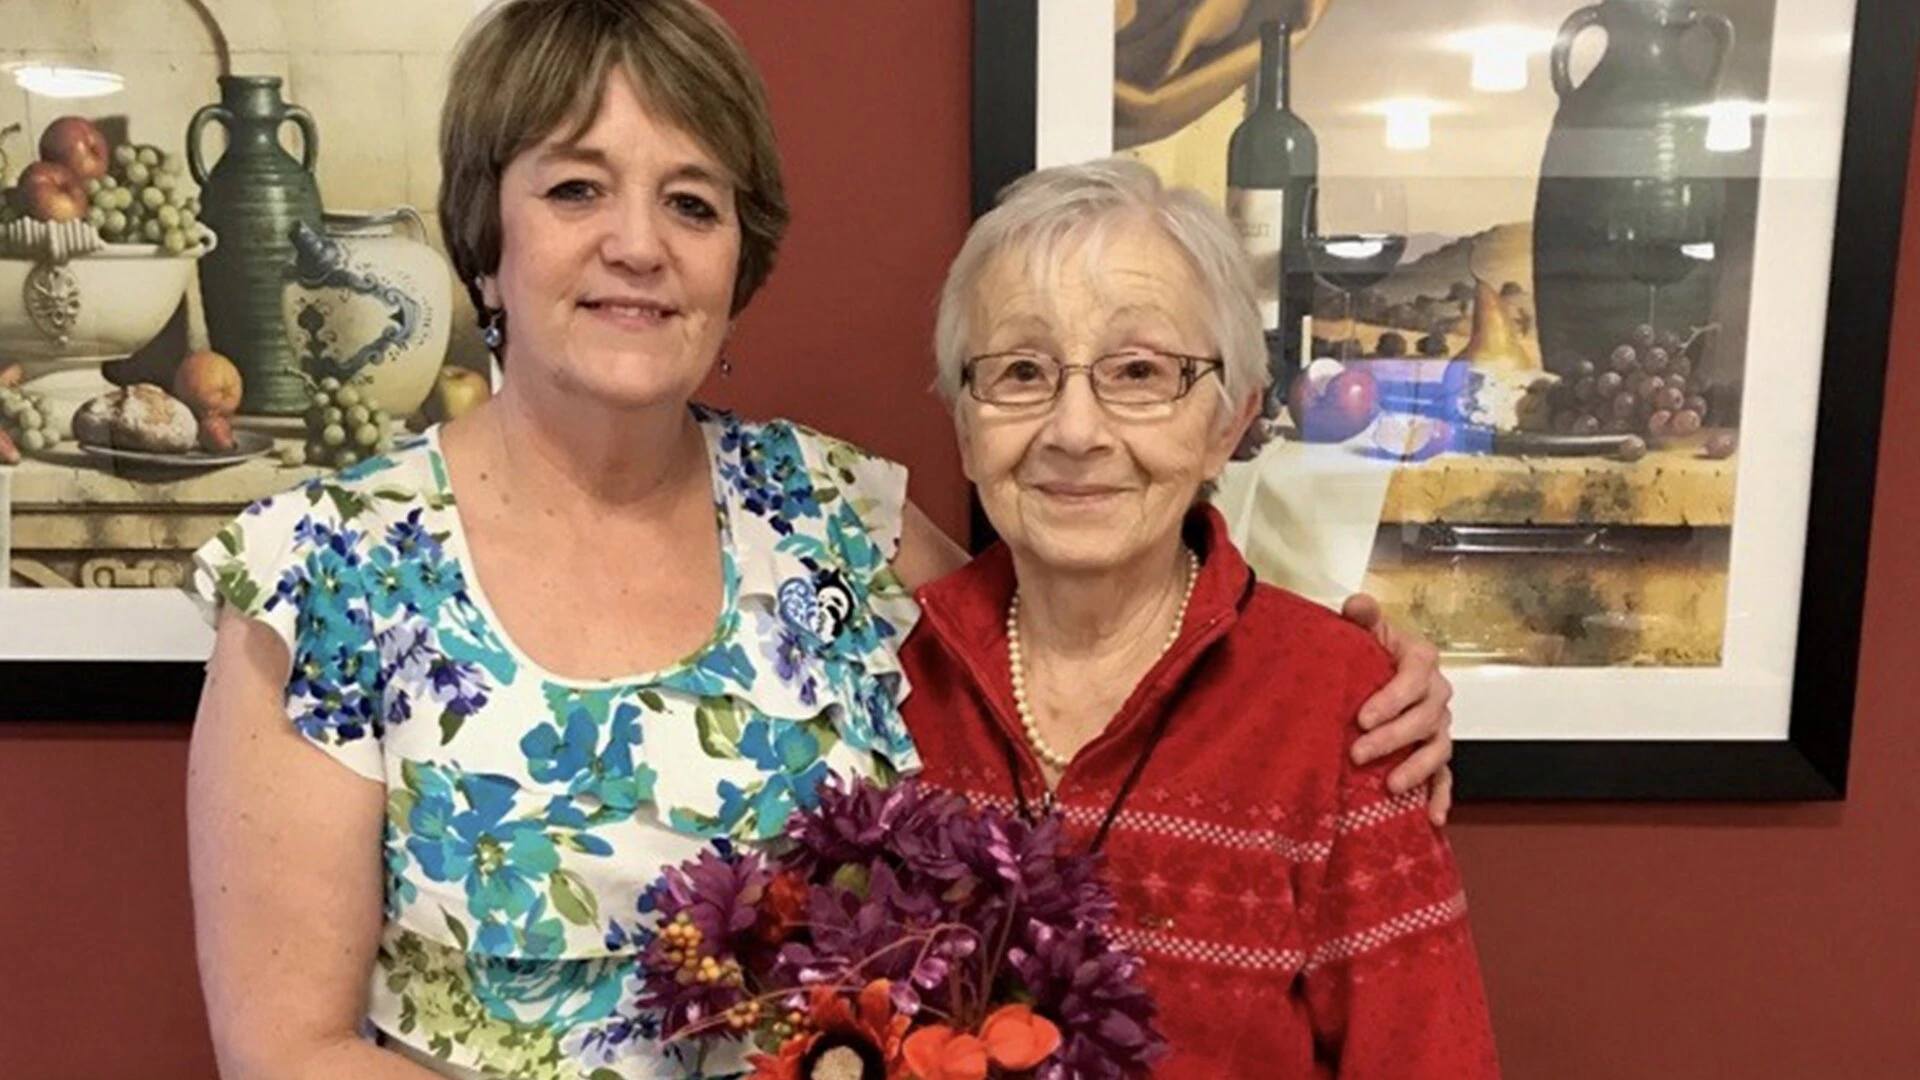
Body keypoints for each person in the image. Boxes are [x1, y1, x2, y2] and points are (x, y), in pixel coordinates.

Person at [185, 2, 1455, 1077]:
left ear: (739, 256)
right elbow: (289, 1054)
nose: (638, 243)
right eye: (576, 186)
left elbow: (1085, 625)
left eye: (692, 201)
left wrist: (1352, 675)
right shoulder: (326, 570)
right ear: (486, 236)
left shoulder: (831, 515)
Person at [901, 158, 1499, 1078]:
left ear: (1229, 422)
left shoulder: (1346, 713)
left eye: (1139, 372)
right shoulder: (872, 678)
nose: (1074, 430)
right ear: (965, 425)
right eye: (1021, 370)